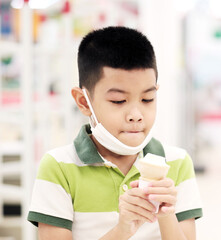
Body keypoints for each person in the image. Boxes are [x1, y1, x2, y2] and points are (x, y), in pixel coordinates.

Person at [27, 26, 203, 240]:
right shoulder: (58, 168)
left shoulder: (177, 163)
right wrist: (121, 231)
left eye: (147, 99)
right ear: (84, 102)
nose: (136, 115)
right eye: (118, 101)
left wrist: (166, 213)